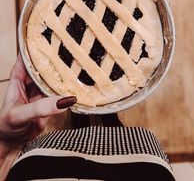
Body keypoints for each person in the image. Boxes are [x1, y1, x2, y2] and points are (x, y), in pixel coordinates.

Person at [0, 55, 176, 181]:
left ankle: (83, 116)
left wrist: (6, 151)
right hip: (142, 168)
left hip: (40, 165)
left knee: (82, 124)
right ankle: (106, 115)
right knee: (119, 133)